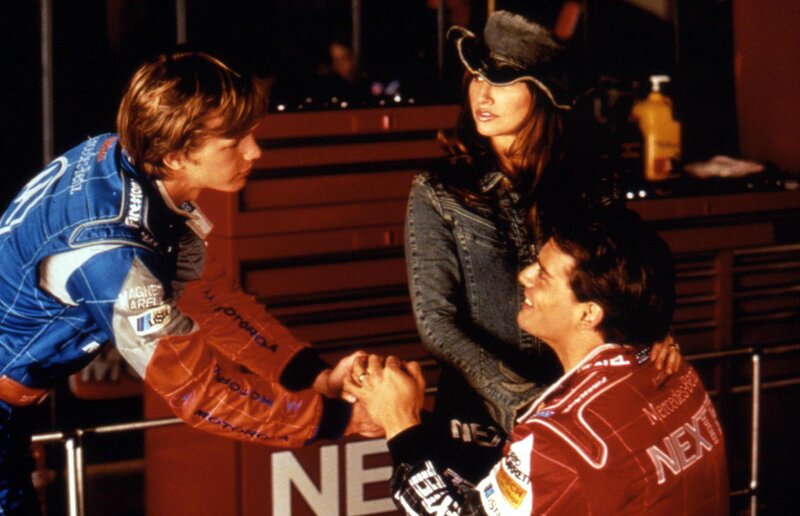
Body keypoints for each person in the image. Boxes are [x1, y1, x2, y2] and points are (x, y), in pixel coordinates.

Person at [0, 51, 377, 514]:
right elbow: (202, 394)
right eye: (233, 142)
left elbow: (207, 299)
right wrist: (342, 419)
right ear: (176, 155)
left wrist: (314, 377)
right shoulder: (111, 255)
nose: (254, 152)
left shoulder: (126, 162)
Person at [404, 9, 680, 483]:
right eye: (476, 78)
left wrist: (657, 333)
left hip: (581, 406)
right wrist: (523, 401)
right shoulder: (439, 190)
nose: (482, 95)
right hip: (476, 420)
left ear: (543, 93)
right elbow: (437, 322)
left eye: (503, 82)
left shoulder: (591, 182)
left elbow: (626, 276)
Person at [346, 208, 730, 515]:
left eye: (543, 275)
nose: (524, 276)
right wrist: (417, 420)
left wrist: (400, 422)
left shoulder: (562, 438)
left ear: (589, 313)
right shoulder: (674, 370)